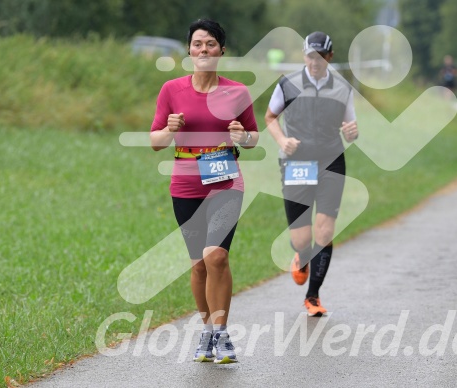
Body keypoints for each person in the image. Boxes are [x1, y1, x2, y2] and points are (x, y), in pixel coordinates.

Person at [150, 19, 259, 364]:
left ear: (222, 50)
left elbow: (254, 138)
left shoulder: (238, 92)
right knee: (198, 265)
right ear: (188, 50)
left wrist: (244, 137)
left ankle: (223, 334)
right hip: (185, 180)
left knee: (217, 256)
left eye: (210, 44)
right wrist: (168, 130)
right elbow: (155, 142)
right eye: (197, 44)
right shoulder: (171, 90)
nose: (203, 50)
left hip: (226, 177)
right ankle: (207, 331)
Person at [264, 31, 358, 317]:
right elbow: (270, 118)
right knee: (302, 239)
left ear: (329, 57)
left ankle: (313, 297)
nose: (314, 62)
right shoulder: (287, 83)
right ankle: (302, 257)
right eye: (309, 56)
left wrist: (352, 132)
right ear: (303, 56)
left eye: (319, 57)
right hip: (297, 163)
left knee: (325, 231)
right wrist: (282, 141)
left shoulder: (343, 87)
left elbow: (351, 128)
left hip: (331, 160)